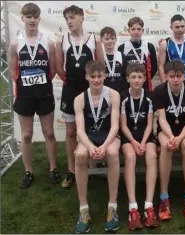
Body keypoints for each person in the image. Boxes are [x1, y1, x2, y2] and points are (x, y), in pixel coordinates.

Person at [8, 3, 60, 188]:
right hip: (24, 96)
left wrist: (39, 83)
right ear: (22, 18)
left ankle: (53, 168)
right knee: (27, 134)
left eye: (35, 16)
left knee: (49, 132)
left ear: (39, 19)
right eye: (28, 16)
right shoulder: (15, 43)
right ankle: (28, 171)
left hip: (44, 94)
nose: (32, 20)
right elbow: (13, 69)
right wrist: (25, 83)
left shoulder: (48, 42)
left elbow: (52, 69)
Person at [55, 5, 104, 188]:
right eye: (66, 18)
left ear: (82, 18)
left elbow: (100, 65)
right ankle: (71, 170)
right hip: (70, 90)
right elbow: (59, 67)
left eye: (72, 17)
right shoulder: (62, 40)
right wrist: (71, 82)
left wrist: (92, 83)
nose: (69, 21)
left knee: (92, 129)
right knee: (70, 132)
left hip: (90, 91)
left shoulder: (94, 39)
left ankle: (93, 167)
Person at [73, 60, 121, 233]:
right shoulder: (79, 99)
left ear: (105, 76)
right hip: (88, 137)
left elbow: (115, 126)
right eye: (92, 76)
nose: (96, 80)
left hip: (109, 135)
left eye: (99, 76)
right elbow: (79, 130)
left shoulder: (114, 94)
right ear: (86, 77)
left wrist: (105, 145)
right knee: (80, 155)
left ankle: (112, 207)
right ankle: (83, 208)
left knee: (113, 152)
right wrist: (91, 147)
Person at [152, 60, 185, 220]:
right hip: (166, 131)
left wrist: (179, 138)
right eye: (172, 76)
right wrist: (172, 137)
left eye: (179, 76)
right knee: (166, 146)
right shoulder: (159, 91)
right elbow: (162, 119)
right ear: (166, 76)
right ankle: (164, 196)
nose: (176, 80)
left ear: (184, 76)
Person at [120, 62, 159, 230]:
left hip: (145, 136)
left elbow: (150, 125)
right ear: (127, 78)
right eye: (133, 77)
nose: (137, 80)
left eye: (140, 77)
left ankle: (149, 206)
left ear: (145, 79)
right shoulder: (122, 97)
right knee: (130, 156)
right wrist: (134, 142)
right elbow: (122, 126)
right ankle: (133, 207)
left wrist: (142, 142)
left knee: (151, 155)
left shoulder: (149, 97)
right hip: (128, 137)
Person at [118, 17, 157, 91]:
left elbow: (154, 67)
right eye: (133, 29)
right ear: (128, 30)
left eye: (139, 29)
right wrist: (129, 80)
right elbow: (120, 69)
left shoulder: (149, 46)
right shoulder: (122, 48)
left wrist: (143, 79)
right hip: (127, 86)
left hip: (145, 85)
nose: (136, 32)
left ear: (143, 31)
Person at [158, 14, 185, 87]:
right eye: (177, 27)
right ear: (171, 27)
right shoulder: (165, 43)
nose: (180, 29)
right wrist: (164, 84)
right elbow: (160, 66)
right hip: (172, 79)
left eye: (182, 26)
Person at [100, 26, 126, 94]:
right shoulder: (99, 56)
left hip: (120, 92)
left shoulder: (121, 55)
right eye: (107, 39)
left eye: (112, 38)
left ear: (116, 39)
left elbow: (125, 75)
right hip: (103, 92)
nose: (110, 41)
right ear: (101, 40)